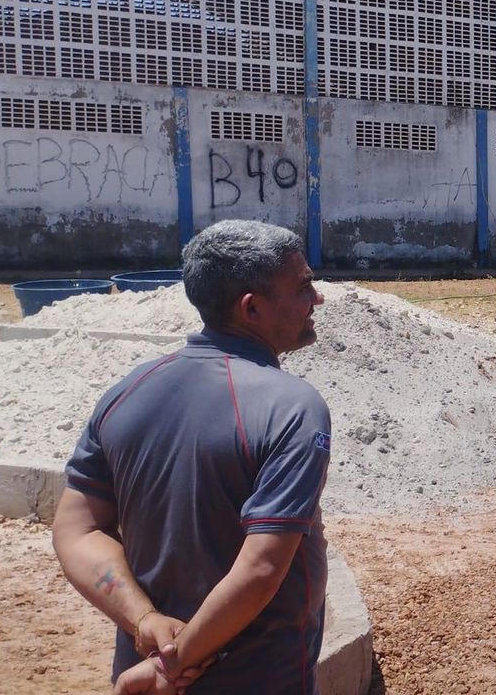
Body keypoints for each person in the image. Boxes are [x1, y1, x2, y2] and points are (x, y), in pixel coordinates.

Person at [52, 220, 332, 694]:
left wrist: (144, 621)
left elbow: (77, 529)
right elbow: (261, 567)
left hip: (146, 671)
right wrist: (173, 663)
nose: (317, 298)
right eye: (303, 285)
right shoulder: (292, 408)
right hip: (254, 674)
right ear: (253, 308)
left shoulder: (127, 392)